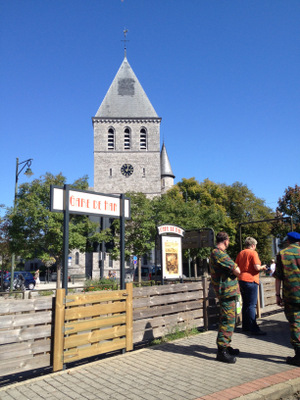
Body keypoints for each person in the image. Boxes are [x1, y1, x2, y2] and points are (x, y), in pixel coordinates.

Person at [210, 231, 241, 363]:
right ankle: (222, 351)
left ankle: (226, 346)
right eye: (228, 240)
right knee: (227, 321)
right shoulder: (218, 253)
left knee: (230, 320)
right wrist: (236, 269)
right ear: (226, 241)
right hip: (226, 293)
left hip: (229, 293)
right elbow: (237, 270)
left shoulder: (219, 254)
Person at [274, 231, 300, 366]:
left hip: (292, 296)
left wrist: (277, 295)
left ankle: (299, 355)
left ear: (288, 241)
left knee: (295, 324)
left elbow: (278, 277)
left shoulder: (282, 254)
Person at [236, 237, 267, 335]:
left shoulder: (241, 253)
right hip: (251, 280)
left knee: (245, 304)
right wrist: (263, 267)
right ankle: (254, 328)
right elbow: (256, 267)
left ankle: (245, 326)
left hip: (241, 280)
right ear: (253, 245)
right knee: (252, 305)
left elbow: (235, 266)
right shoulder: (253, 253)